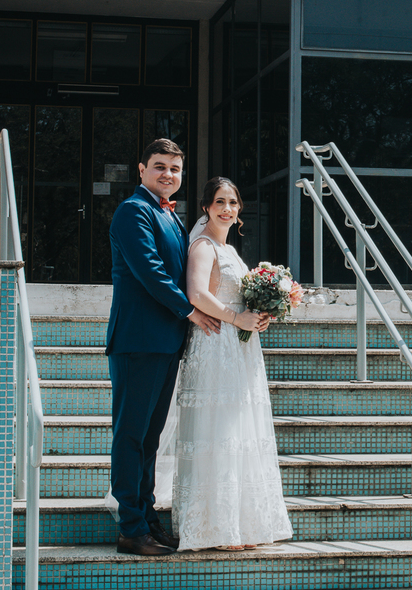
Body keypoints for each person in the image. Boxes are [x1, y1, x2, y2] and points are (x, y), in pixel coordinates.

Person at [105, 138, 220, 557]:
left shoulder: (171, 216)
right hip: (138, 340)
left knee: (149, 438)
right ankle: (130, 529)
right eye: (159, 167)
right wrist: (190, 312)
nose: (167, 174)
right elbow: (151, 273)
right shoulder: (133, 211)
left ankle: (148, 519)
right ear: (141, 169)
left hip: (166, 341)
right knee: (131, 435)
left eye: (174, 168)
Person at [171, 176, 293, 551]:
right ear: (206, 206)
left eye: (234, 203)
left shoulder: (231, 249)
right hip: (215, 345)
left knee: (239, 429)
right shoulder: (204, 246)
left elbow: (240, 297)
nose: (227, 209)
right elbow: (196, 294)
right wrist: (236, 318)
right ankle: (215, 526)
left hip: (239, 347)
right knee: (219, 428)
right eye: (220, 202)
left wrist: (263, 310)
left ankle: (239, 523)